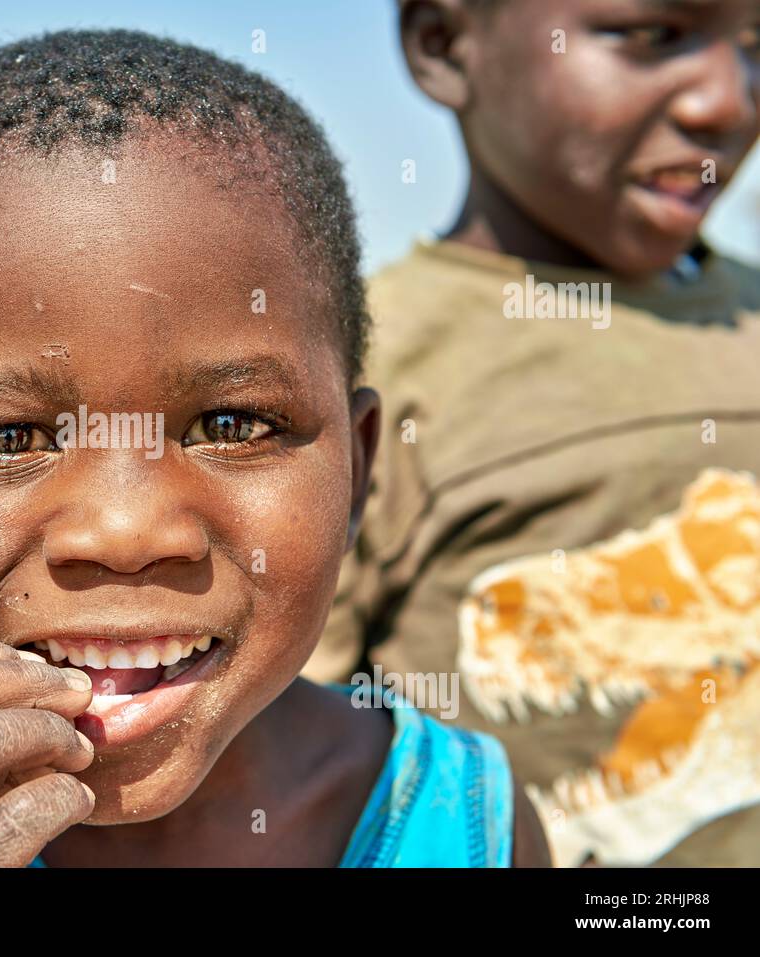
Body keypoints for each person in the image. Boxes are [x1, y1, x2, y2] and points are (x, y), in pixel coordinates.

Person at [0, 28, 550, 867]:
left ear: (358, 474)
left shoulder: (472, 824)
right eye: (6, 437)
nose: (125, 533)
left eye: (231, 425)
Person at [312, 0, 760, 866]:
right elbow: (281, 760)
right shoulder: (356, 373)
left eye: (756, 48)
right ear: (445, 45)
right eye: (652, 36)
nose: (725, 101)